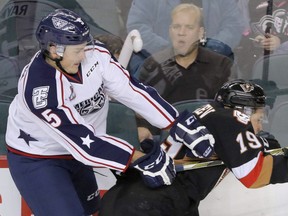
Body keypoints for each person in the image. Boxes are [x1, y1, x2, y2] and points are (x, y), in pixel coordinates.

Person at [5, 9, 216, 215]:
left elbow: (132, 91)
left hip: (80, 155)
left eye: (84, 46)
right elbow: (83, 143)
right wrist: (141, 159)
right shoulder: (40, 90)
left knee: (93, 210)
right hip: (39, 158)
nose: (84, 54)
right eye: (77, 50)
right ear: (54, 50)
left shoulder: (94, 53)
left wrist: (175, 122)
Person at [99, 79, 282, 216]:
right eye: (258, 120)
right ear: (242, 112)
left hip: (131, 196)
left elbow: (257, 145)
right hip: (151, 204)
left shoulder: (207, 114)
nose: (259, 127)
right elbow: (254, 175)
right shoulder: (230, 120)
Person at [136, 3, 233, 140]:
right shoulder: (152, 65)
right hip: (164, 144)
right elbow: (139, 107)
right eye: (177, 27)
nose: (181, 33)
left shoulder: (221, 65)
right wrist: (141, 127)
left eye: (189, 27)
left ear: (200, 32)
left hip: (212, 142)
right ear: (170, 31)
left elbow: (231, 111)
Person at [126, 0, 244, 74]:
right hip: (161, 68)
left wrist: (209, 51)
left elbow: (233, 26)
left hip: (213, 68)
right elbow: (137, 27)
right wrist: (170, 52)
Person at [235, 0, 288, 79]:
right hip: (257, 65)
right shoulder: (247, 2)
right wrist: (254, 40)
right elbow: (235, 32)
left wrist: (280, 40)